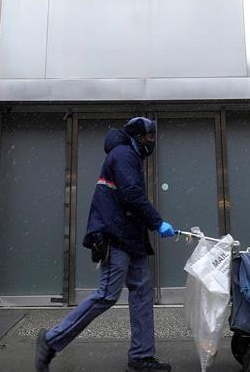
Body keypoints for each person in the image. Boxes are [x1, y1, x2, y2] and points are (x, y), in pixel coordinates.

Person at [35, 116, 176, 372]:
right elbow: (131, 194)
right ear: (137, 136)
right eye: (149, 137)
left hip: (130, 238)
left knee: (142, 294)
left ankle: (141, 357)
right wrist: (157, 222)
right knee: (107, 295)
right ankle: (51, 340)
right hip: (116, 236)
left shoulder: (130, 155)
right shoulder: (124, 155)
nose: (152, 142)